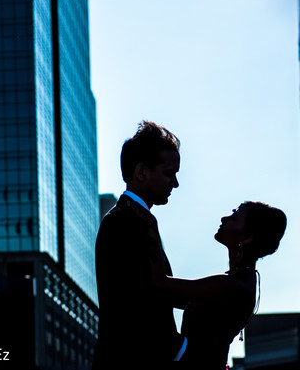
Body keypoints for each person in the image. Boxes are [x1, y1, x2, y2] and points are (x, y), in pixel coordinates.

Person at [91, 120, 187, 370]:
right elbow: (150, 297)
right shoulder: (129, 220)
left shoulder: (129, 218)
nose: (175, 183)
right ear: (141, 171)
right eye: (169, 173)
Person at [150, 201, 287, 368]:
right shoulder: (238, 281)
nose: (224, 218)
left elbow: (160, 285)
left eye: (234, 218)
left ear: (247, 237)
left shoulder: (232, 285)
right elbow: (170, 293)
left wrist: (148, 229)